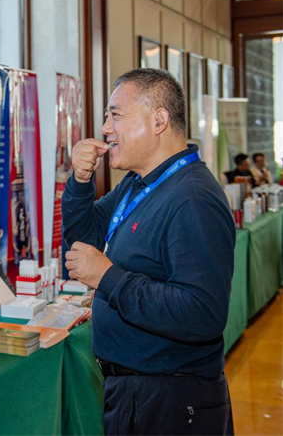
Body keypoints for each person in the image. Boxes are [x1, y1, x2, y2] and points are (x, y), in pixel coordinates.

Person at [62, 68, 235, 436]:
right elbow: (82, 243)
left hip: (172, 398)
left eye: (115, 115)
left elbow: (203, 314)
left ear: (159, 121)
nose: (105, 128)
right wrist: (80, 180)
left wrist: (108, 277)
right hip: (133, 391)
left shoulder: (192, 198)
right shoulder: (139, 183)